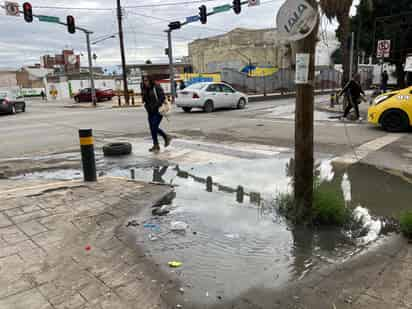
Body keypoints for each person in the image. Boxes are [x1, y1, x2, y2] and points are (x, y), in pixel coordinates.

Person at [141, 76, 172, 152]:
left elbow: (162, 98)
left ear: (150, 80)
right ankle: (156, 145)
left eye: (147, 80)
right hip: (150, 111)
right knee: (152, 128)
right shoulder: (144, 88)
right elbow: (145, 99)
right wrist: (146, 105)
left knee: (154, 126)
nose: (145, 82)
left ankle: (166, 136)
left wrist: (155, 106)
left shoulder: (157, 87)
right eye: (144, 81)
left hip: (158, 110)